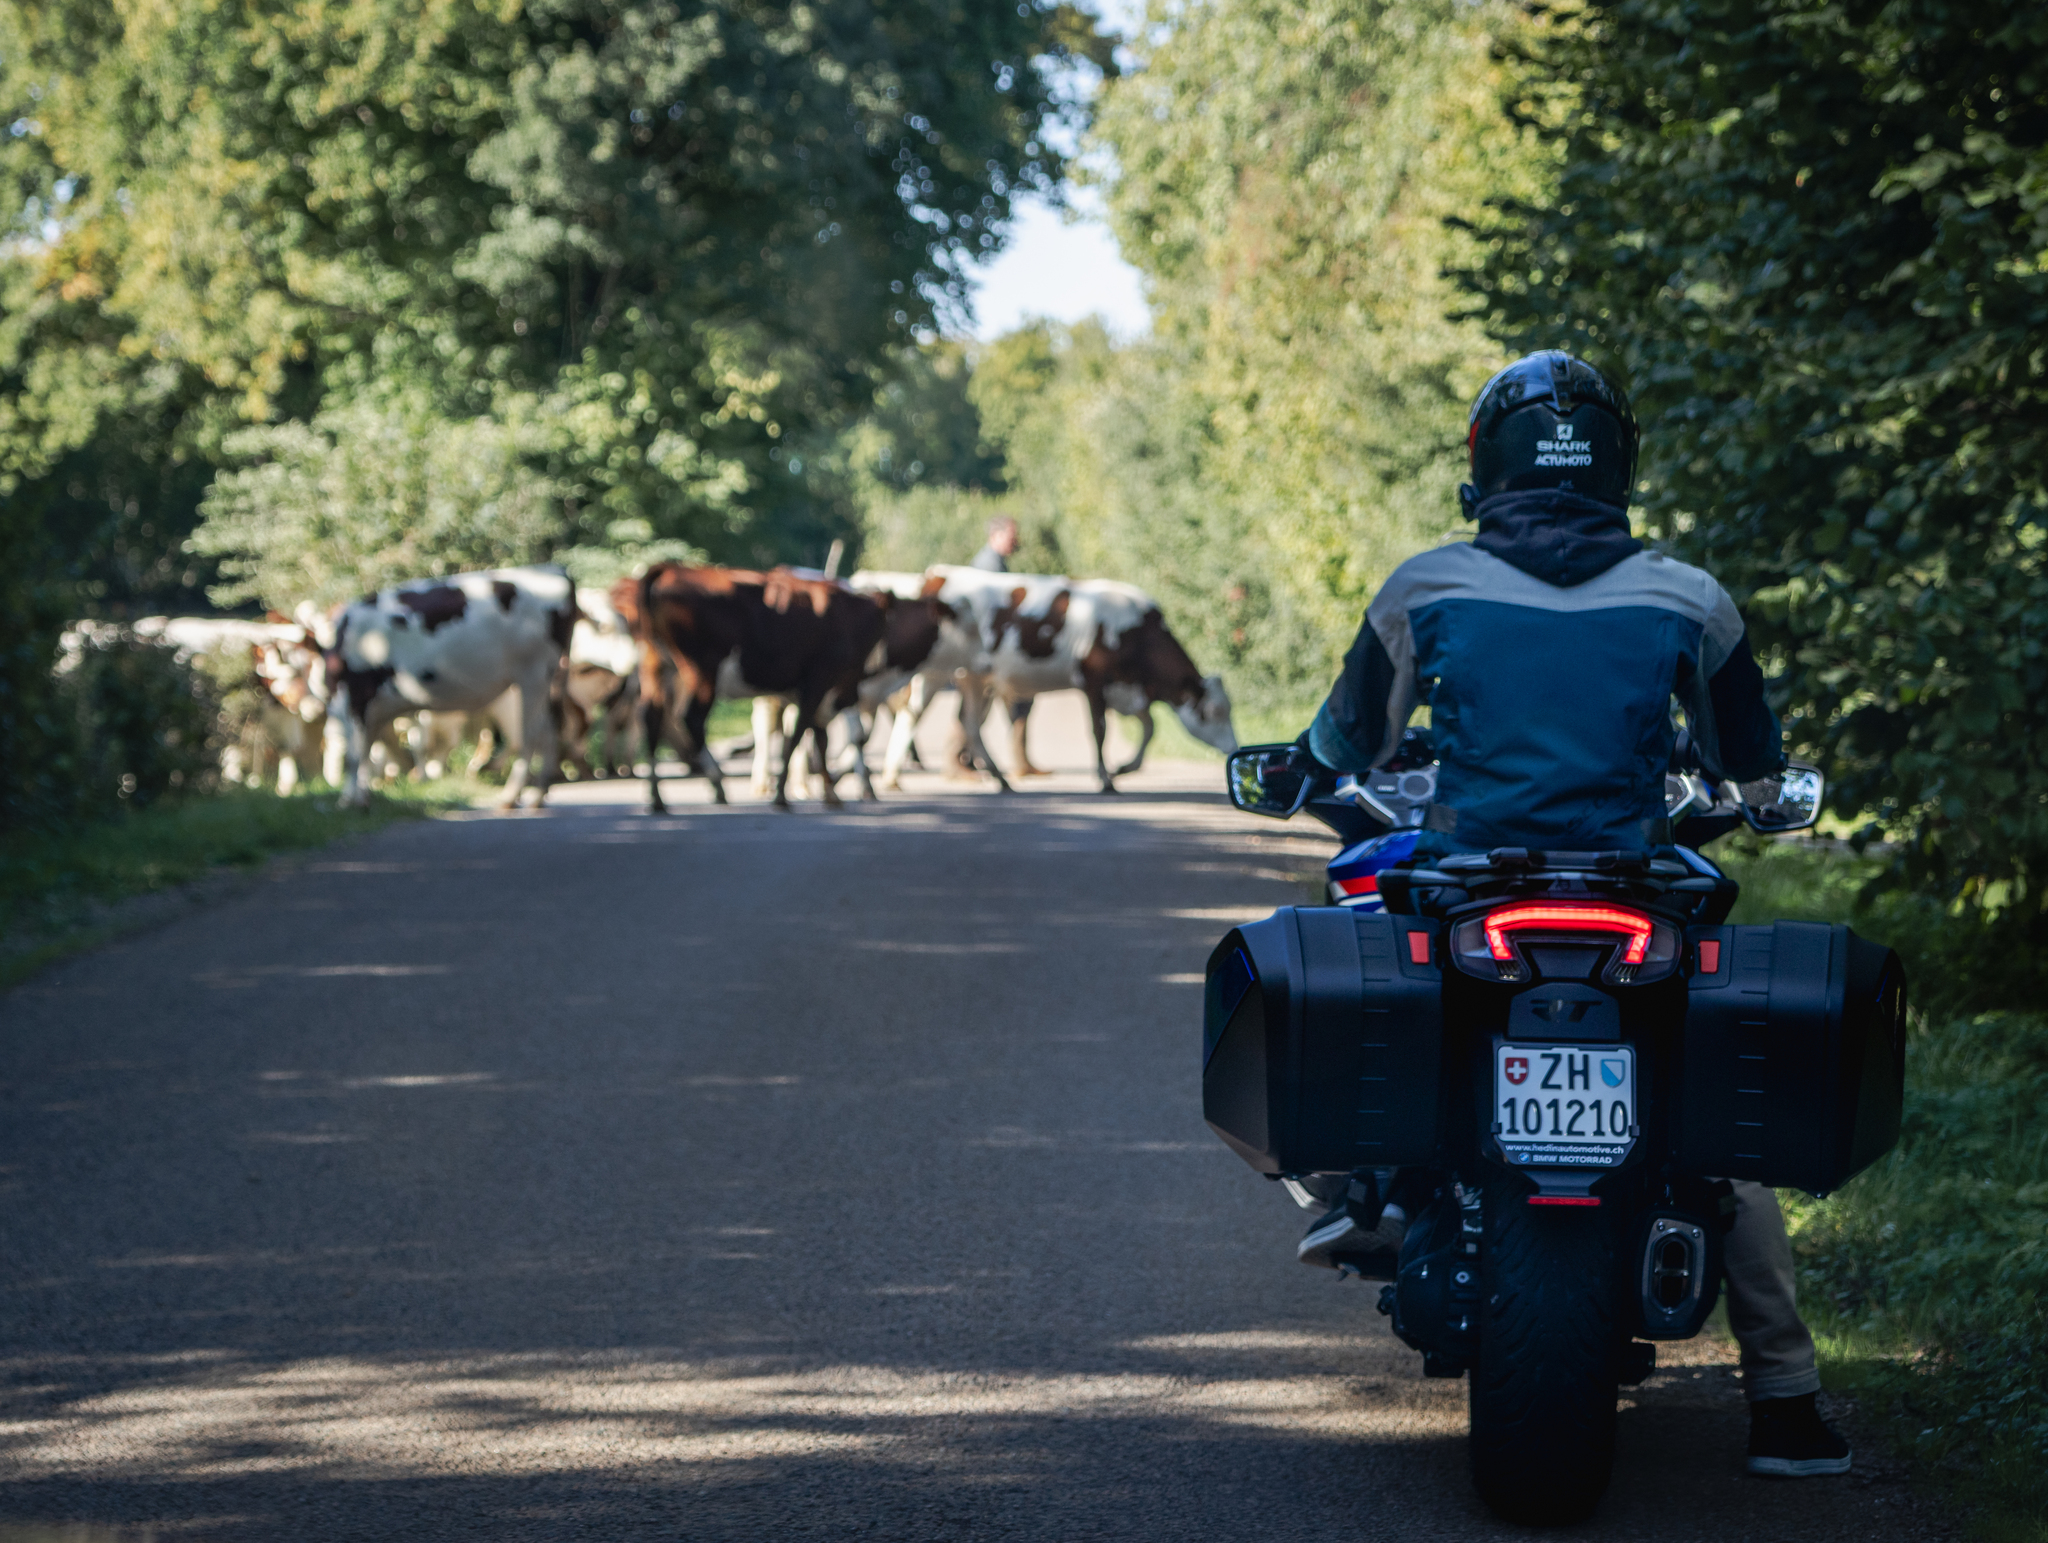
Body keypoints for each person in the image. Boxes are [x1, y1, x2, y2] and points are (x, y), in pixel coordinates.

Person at [1289, 350, 1850, 1480]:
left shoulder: (1423, 586)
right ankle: (1785, 1400)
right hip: (1631, 895)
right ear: (1618, 466)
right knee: (1713, 1143)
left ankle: (1357, 1190)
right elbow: (1749, 767)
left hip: (1471, 887)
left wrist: (1300, 770)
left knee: (1383, 1014)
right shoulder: (1689, 596)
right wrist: (1739, 793)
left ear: (1480, 463)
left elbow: (1342, 742)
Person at [964, 515, 1048, 777]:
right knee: (983, 702)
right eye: (1012, 536)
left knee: (993, 702)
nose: (1016, 541)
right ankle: (960, 757)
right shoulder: (988, 565)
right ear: (996, 535)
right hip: (991, 648)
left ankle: (1015, 759)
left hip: (994, 646)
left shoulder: (994, 563)